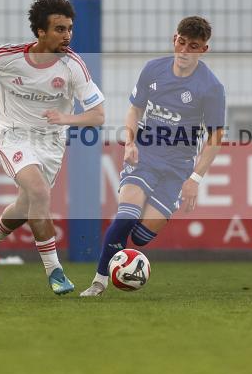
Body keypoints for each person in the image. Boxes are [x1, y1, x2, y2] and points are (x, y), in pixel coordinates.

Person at [0, 0, 105, 295]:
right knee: (39, 192)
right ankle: (55, 272)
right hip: (12, 135)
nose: (67, 35)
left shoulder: (74, 65)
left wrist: (65, 118)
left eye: (69, 28)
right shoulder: (6, 55)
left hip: (51, 143)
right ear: (40, 32)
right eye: (59, 29)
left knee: (27, 205)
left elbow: (98, 115)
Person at [80, 17, 226, 297]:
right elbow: (135, 109)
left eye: (193, 46)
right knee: (125, 216)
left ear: (204, 49)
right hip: (144, 156)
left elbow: (216, 136)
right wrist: (130, 142)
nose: (184, 51)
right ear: (174, 39)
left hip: (178, 167)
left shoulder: (211, 87)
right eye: (181, 43)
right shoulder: (153, 69)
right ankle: (99, 282)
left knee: (142, 237)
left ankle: (123, 249)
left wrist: (195, 178)